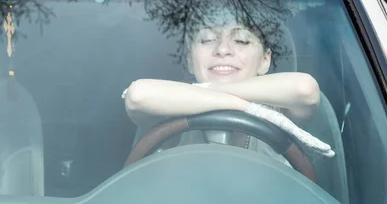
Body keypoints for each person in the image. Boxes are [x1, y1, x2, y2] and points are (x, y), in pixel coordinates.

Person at [122, 9, 334, 162]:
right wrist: (245, 107)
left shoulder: (280, 109)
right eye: (207, 40)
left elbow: (305, 90)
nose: (223, 49)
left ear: (265, 61)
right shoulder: (168, 106)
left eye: (241, 40)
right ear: (189, 59)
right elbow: (138, 96)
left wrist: (208, 89)